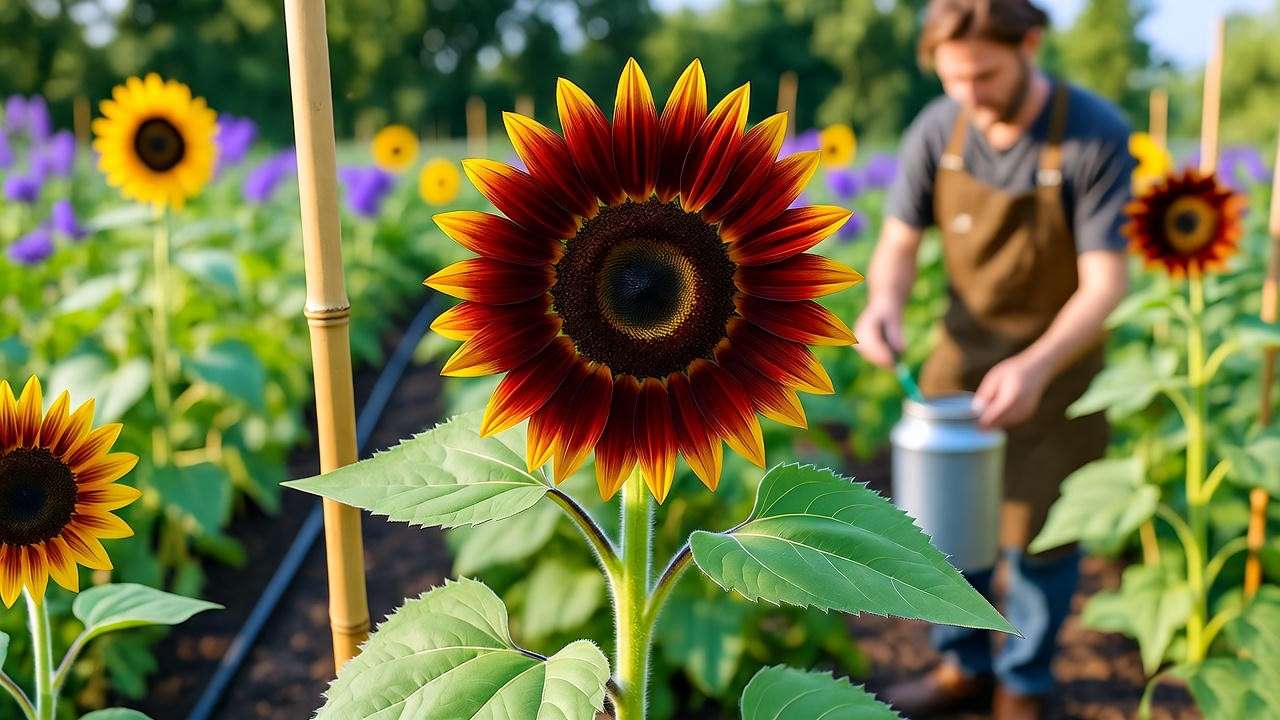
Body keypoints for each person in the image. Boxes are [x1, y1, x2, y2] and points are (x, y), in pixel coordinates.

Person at [853, 1, 1134, 718]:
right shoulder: (937, 133)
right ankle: (961, 668)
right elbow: (898, 244)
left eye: (983, 74)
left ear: (1030, 43)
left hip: (1060, 368)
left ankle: (1024, 682)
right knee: (950, 529)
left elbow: (1106, 285)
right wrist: (882, 302)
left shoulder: (1093, 134)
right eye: (952, 78)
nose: (969, 94)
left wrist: (1038, 365)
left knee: (1042, 541)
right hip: (964, 357)